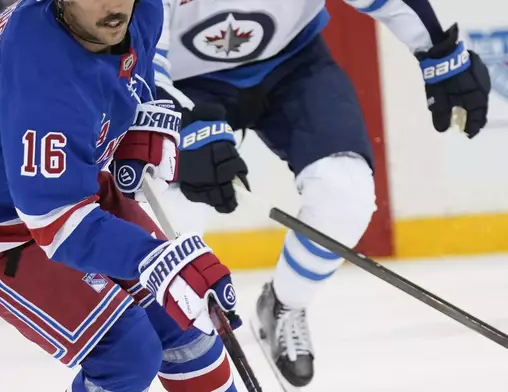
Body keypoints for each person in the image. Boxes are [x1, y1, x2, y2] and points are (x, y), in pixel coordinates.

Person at [114, 0, 491, 387]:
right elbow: (137, 50)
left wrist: (440, 50)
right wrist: (178, 118)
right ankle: (190, 338)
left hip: (294, 64)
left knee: (346, 192)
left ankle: (284, 305)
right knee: (174, 218)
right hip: (182, 81)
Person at [0, 0, 241, 391]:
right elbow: (58, 221)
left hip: (57, 180)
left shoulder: (136, 9)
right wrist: (155, 260)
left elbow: (149, 42)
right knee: (125, 354)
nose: (114, 5)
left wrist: (147, 108)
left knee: (185, 323)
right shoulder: (43, 76)